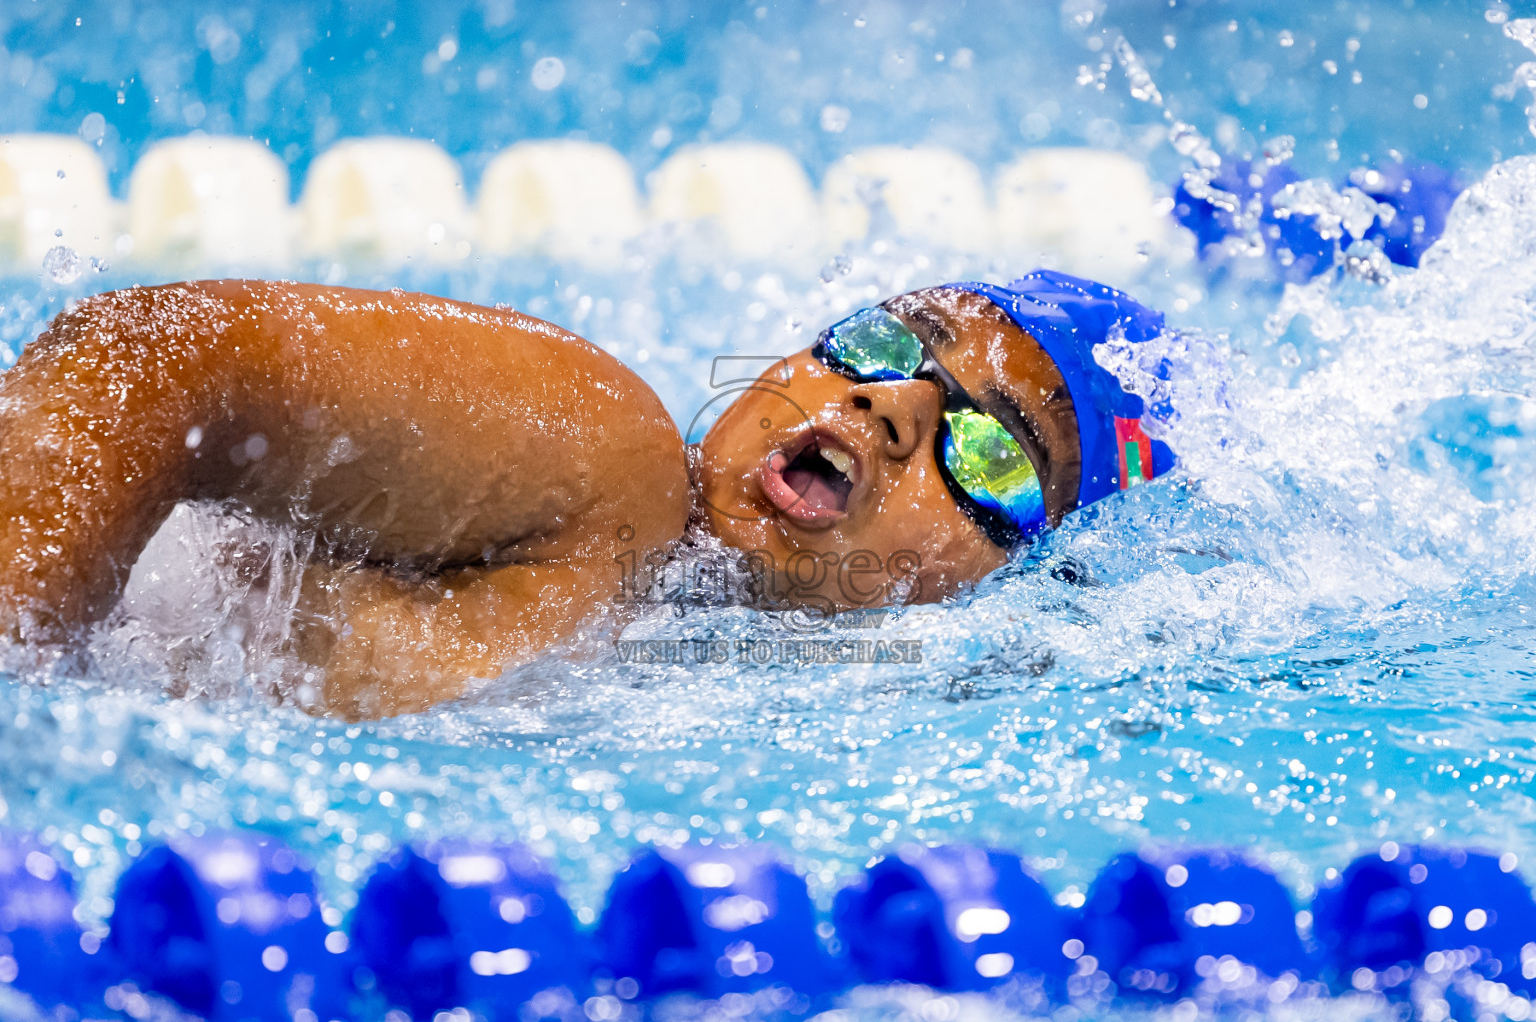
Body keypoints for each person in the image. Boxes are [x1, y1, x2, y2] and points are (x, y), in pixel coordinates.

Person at [0, 270, 1172, 716]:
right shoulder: (612, 464)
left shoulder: (719, 673)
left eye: (992, 451)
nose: (895, 406)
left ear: (1033, 584)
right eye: (878, 341)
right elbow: (155, 356)